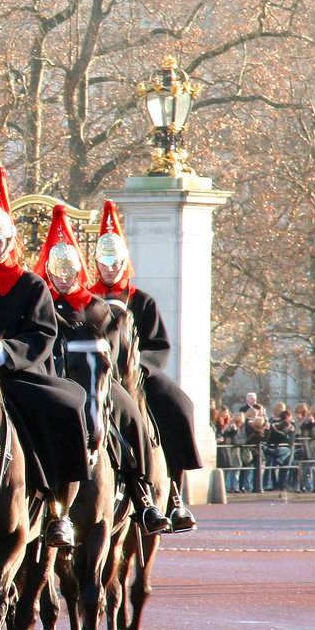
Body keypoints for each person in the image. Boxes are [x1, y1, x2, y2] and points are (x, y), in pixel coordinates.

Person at [0, 166, 90, 547]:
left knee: (65, 406)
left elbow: (43, 334)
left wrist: (8, 353)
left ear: (10, 242)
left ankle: (60, 509)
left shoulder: (31, 285)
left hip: (18, 375)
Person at [36, 205, 169, 534]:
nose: (63, 278)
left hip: (98, 381)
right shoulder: (43, 304)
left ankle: (143, 493)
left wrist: (132, 372)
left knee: (134, 417)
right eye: (57, 272)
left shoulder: (95, 306)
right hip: (57, 382)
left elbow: (115, 349)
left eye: (69, 272)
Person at [91, 200, 204, 530]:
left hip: (138, 376)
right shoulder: (88, 299)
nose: (109, 268)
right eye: (104, 262)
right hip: (99, 377)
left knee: (178, 406)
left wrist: (141, 368)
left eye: (114, 262)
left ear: (124, 262)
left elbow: (158, 346)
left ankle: (175, 494)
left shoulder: (141, 301)